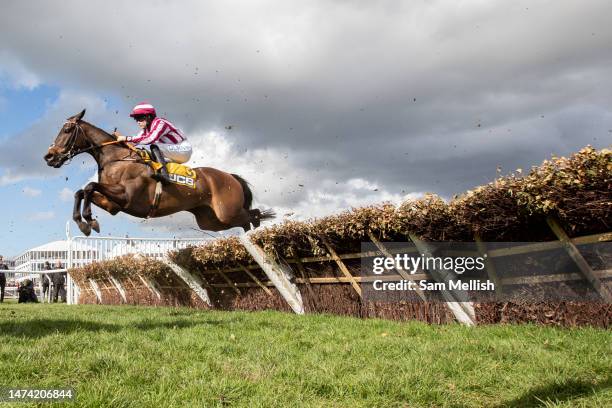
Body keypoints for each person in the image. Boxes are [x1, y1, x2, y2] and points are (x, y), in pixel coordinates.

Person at [113, 103, 192, 184]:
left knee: (153, 146)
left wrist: (126, 138)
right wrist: (118, 142)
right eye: (136, 119)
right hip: (172, 151)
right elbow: (133, 143)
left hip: (183, 149)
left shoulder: (160, 123)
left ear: (148, 116)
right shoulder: (146, 130)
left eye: (139, 118)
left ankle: (165, 176)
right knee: (142, 151)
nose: (138, 122)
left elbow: (150, 139)